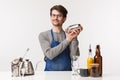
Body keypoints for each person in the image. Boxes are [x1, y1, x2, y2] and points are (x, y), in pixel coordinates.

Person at [38, 5, 83, 71]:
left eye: (59, 16)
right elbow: (50, 55)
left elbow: (74, 57)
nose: (55, 18)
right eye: (53, 15)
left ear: (64, 19)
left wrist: (74, 38)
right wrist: (67, 40)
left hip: (67, 75)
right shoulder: (43, 35)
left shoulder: (69, 35)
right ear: (50, 17)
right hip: (49, 75)